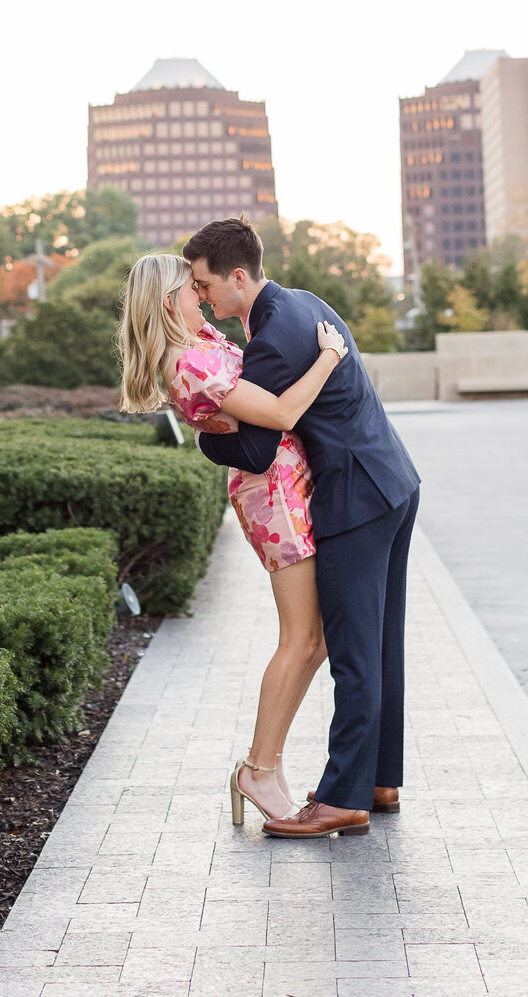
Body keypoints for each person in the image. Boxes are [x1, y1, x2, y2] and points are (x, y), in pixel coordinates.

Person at [184, 215, 421, 840]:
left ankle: (344, 797)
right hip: (392, 481)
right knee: (379, 641)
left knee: (351, 651)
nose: (203, 297)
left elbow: (258, 452)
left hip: (353, 498)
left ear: (238, 277)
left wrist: (205, 442)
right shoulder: (302, 304)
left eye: (206, 285)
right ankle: (377, 778)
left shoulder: (272, 340)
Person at [119, 251, 348, 824]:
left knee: (314, 639)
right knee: (301, 638)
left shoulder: (198, 347)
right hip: (274, 499)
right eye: (193, 289)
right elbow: (280, 412)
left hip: (286, 488)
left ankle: (266, 764)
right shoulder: (190, 363)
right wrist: (329, 356)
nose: (203, 296)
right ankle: (258, 770)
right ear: (169, 299)